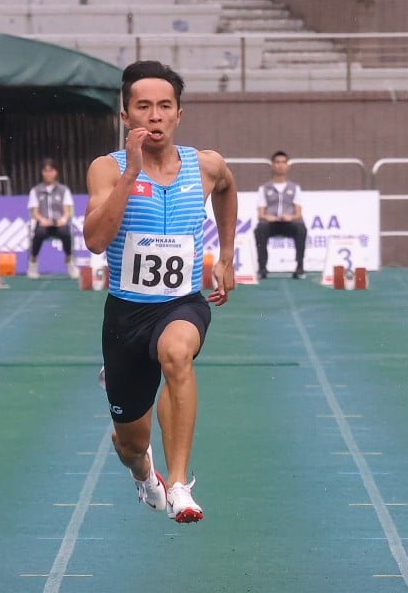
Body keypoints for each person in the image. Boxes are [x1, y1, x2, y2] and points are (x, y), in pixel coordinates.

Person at [83, 60, 237, 524]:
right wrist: (131, 175)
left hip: (182, 303)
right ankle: (144, 475)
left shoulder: (206, 165)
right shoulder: (106, 169)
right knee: (129, 441)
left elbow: (228, 189)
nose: (154, 115)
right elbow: (94, 241)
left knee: (176, 355)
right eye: (143, 106)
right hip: (126, 314)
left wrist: (226, 255)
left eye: (164, 106)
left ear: (178, 114)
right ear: (125, 115)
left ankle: (179, 485)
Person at [254, 150, 307, 279]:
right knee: (260, 228)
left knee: (301, 228)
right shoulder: (264, 188)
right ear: (272, 165)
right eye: (277, 162)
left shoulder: (295, 188)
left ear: (288, 166)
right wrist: (267, 217)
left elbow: (299, 213)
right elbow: (260, 214)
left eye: (283, 162)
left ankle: (299, 267)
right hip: (271, 223)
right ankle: (262, 268)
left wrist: (291, 217)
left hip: (289, 222)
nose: (280, 165)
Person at [27, 157, 78, 280]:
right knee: (38, 234)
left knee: (66, 233)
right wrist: (41, 220)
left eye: (51, 170)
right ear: (42, 173)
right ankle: (33, 264)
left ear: (56, 172)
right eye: (45, 171)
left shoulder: (63, 190)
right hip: (43, 223)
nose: (48, 174)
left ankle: (70, 262)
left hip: (58, 223)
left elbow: (67, 210)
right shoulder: (36, 190)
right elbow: (34, 212)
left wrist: (64, 219)